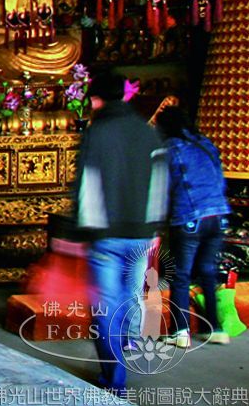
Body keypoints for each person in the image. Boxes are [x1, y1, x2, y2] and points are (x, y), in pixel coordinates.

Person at [74, 70, 169, 390]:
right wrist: (155, 226)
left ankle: (114, 376)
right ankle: (130, 344)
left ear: (96, 99)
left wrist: (85, 230)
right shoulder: (148, 132)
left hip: (106, 234)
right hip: (142, 232)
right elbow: (160, 183)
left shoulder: (97, 131)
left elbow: (88, 184)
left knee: (106, 304)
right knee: (131, 293)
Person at [156, 105, 231, 347]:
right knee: (208, 271)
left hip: (190, 216)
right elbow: (219, 179)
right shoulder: (205, 144)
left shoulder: (170, 149)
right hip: (218, 214)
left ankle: (181, 332)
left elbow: (163, 188)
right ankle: (216, 328)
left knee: (182, 274)